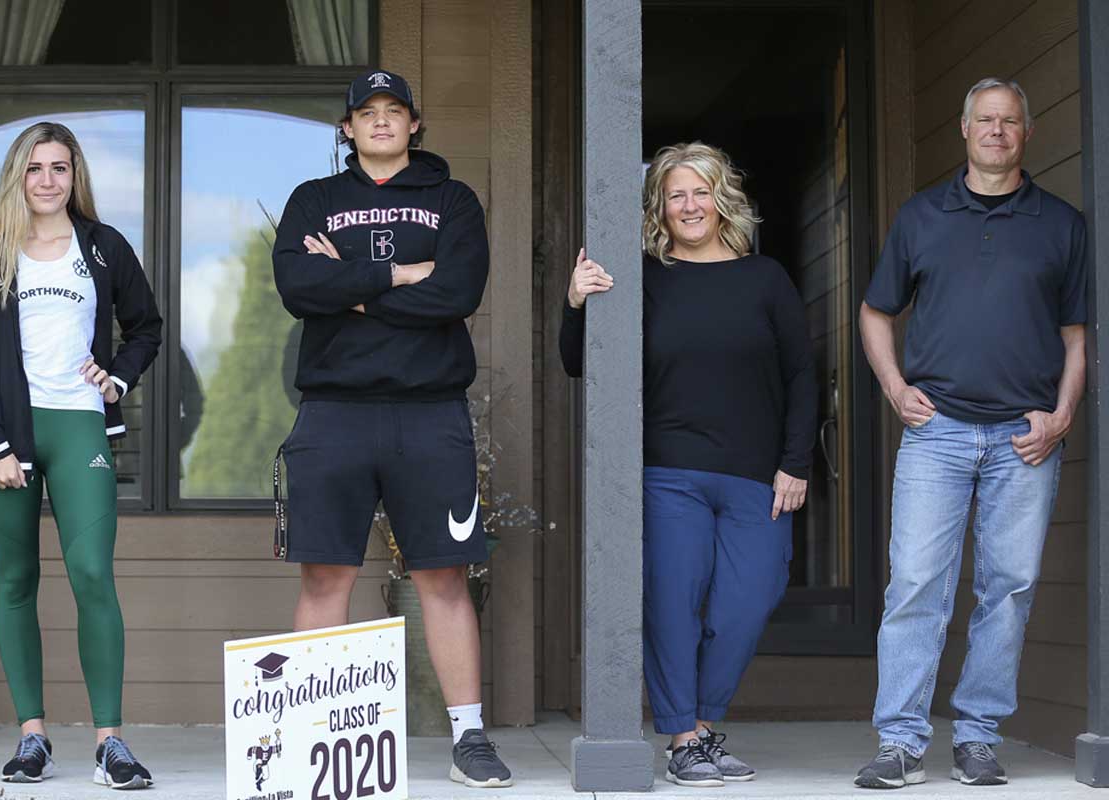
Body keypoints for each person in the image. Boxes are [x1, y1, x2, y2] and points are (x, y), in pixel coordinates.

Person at [271, 69, 512, 788]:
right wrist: (404, 277)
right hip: (333, 412)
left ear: (415, 123)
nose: (380, 122)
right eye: (366, 113)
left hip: (429, 413)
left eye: (394, 111)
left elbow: (459, 291)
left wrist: (350, 287)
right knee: (326, 575)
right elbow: (296, 289)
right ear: (346, 129)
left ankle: (469, 736)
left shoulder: (451, 200)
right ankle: (313, 735)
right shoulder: (314, 199)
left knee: (443, 575)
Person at [854, 77, 1087, 789]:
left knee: (1008, 589)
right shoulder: (922, 217)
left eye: (1009, 121)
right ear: (963, 129)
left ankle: (979, 737)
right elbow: (874, 312)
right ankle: (899, 743)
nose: (996, 131)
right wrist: (895, 387)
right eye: (984, 120)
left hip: (1026, 438)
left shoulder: (1061, 223)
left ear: (1027, 131)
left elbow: (1079, 337)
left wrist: (1062, 416)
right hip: (938, 433)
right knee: (917, 585)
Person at [560, 142, 816, 787]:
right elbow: (580, 362)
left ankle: (699, 722)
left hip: (757, 475)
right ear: (661, 209)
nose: (690, 205)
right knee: (673, 603)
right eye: (677, 194)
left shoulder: (766, 278)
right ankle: (685, 738)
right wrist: (575, 303)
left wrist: (795, 462)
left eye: (701, 191)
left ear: (721, 198)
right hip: (668, 471)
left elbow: (801, 375)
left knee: (747, 603)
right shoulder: (646, 280)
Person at [0, 122, 162, 789]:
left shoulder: (102, 248)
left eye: (60, 168)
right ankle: (32, 737)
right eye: (35, 168)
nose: (48, 180)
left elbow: (147, 327)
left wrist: (118, 377)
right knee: (16, 583)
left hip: (78, 429)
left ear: (76, 177)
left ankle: (110, 744)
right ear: (18, 175)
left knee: (92, 574)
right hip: (8, 438)